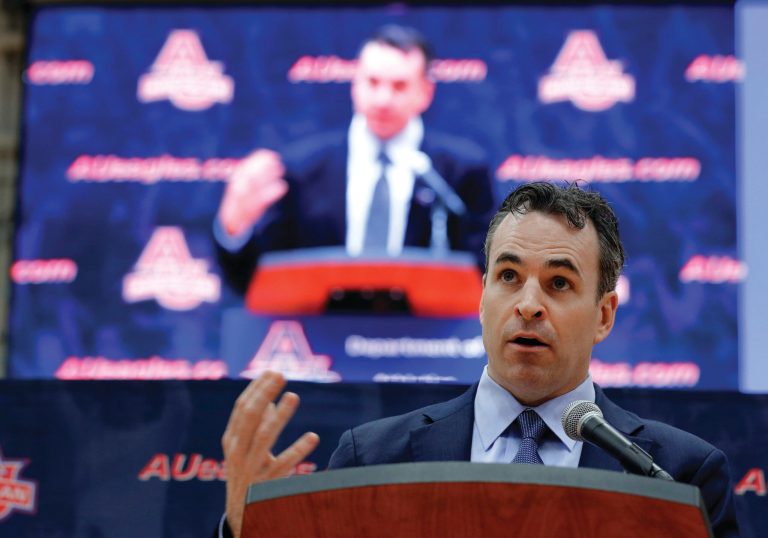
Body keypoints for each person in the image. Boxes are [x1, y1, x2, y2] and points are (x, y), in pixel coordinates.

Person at [217, 182, 739, 538]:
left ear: (604, 315)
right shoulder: (374, 460)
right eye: (509, 277)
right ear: (482, 296)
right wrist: (245, 529)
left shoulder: (678, 476)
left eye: (559, 283)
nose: (528, 304)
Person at [214, 24, 496, 292]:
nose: (383, 99)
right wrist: (234, 229)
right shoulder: (302, 168)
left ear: (425, 92)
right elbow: (257, 280)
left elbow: (485, 276)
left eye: (399, 86)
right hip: (323, 324)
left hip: (429, 326)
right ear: (354, 84)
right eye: (372, 82)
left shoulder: (460, 172)